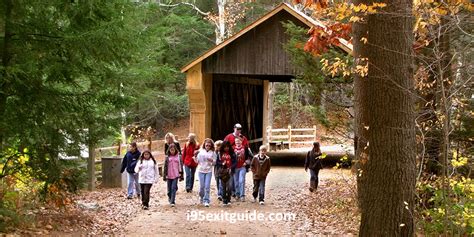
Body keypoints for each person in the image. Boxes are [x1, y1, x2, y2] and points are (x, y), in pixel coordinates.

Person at [194, 138, 216, 207]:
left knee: (207, 186)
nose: (208, 146)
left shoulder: (213, 153)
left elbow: (214, 163)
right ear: (204, 145)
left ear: (211, 146)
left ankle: (206, 200)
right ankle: (201, 196)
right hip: (201, 170)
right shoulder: (200, 152)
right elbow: (197, 161)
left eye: (209, 145)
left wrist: (212, 160)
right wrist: (195, 157)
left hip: (208, 171)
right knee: (202, 186)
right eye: (207, 145)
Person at [215, 141, 237, 206]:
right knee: (223, 186)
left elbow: (235, 162)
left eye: (228, 147)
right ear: (223, 147)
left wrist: (231, 167)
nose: (226, 148)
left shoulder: (232, 153)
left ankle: (229, 198)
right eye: (225, 147)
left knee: (229, 186)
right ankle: (224, 199)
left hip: (230, 171)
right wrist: (222, 164)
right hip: (222, 172)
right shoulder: (219, 153)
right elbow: (217, 162)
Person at [232, 137, 252, 202]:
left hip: (242, 167)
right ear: (235, 142)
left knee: (241, 181)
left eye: (239, 141)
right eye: (236, 141)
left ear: (241, 141)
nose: (237, 142)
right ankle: (237, 194)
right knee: (236, 182)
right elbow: (230, 157)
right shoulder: (232, 149)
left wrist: (246, 162)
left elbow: (251, 157)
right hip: (235, 167)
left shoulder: (246, 148)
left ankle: (242, 195)